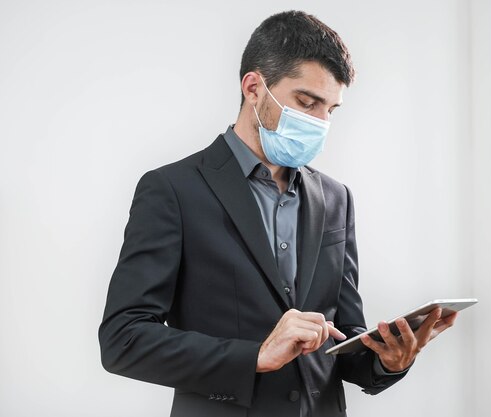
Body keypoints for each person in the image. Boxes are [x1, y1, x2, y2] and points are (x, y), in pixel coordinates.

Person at [98, 10, 457, 417]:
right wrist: (255, 355)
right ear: (254, 88)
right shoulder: (173, 190)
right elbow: (123, 340)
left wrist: (388, 360)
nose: (321, 123)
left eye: (331, 110)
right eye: (307, 102)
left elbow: (343, 341)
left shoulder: (336, 198)